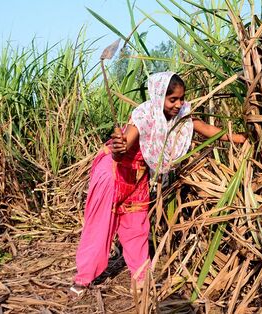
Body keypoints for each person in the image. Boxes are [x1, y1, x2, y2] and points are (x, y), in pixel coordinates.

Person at [69, 71, 246, 299]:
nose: (178, 104)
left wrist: (240, 138)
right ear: (158, 95)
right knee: (101, 226)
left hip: (138, 175)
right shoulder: (144, 115)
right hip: (113, 173)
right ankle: (83, 279)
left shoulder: (182, 114)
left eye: (181, 98)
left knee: (137, 226)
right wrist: (119, 149)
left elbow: (207, 130)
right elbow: (129, 140)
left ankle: (142, 276)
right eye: (173, 99)